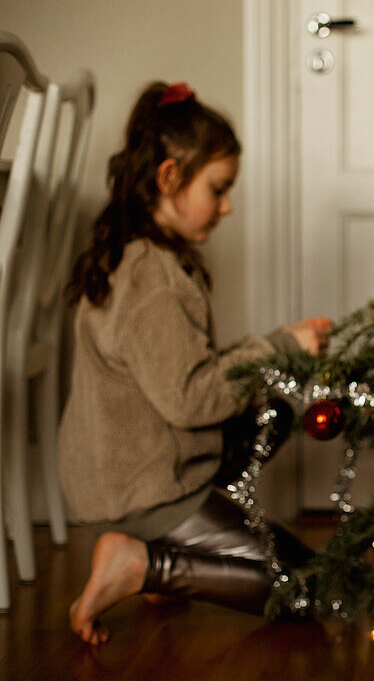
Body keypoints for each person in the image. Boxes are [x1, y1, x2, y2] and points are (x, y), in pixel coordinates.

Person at [59, 81, 331, 645]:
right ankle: (144, 563)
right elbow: (191, 401)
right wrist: (279, 346)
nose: (227, 206)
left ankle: (163, 548)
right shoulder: (154, 282)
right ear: (168, 178)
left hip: (141, 464)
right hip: (146, 484)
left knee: (272, 411)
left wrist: (279, 340)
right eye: (219, 188)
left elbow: (191, 376)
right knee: (312, 586)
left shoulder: (144, 253)